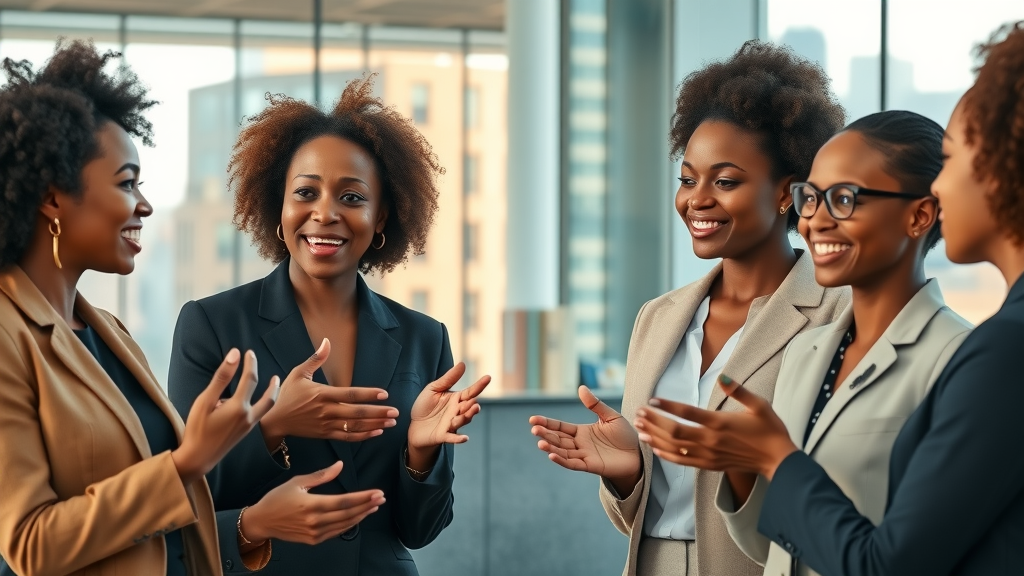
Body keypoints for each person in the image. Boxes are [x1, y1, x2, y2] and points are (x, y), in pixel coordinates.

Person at [629, 22, 1024, 576]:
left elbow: (898, 556)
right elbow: (774, 545)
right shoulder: (813, 350)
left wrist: (773, 457)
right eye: (813, 197)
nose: (815, 216)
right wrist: (741, 469)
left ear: (919, 215)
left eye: (841, 198)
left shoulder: (965, 352)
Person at [528, 40, 849, 576]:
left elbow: (840, 489)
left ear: (787, 193)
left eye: (725, 181)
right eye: (686, 178)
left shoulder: (837, 314)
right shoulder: (659, 318)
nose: (696, 199)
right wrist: (627, 475)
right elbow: (637, 516)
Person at [168, 76, 490, 575]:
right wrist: (271, 426)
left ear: (382, 217)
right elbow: (185, 494)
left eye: (352, 198)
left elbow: (420, 530)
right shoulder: (210, 325)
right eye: (306, 192)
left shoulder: (426, 337)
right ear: (279, 207)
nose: (325, 213)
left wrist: (420, 455)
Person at [0, 40, 278, 576]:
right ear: (53, 197)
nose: (144, 205)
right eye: (127, 183)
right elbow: (31, 546)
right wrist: (185, 463)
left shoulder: (110, 333)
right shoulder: (7, 336)